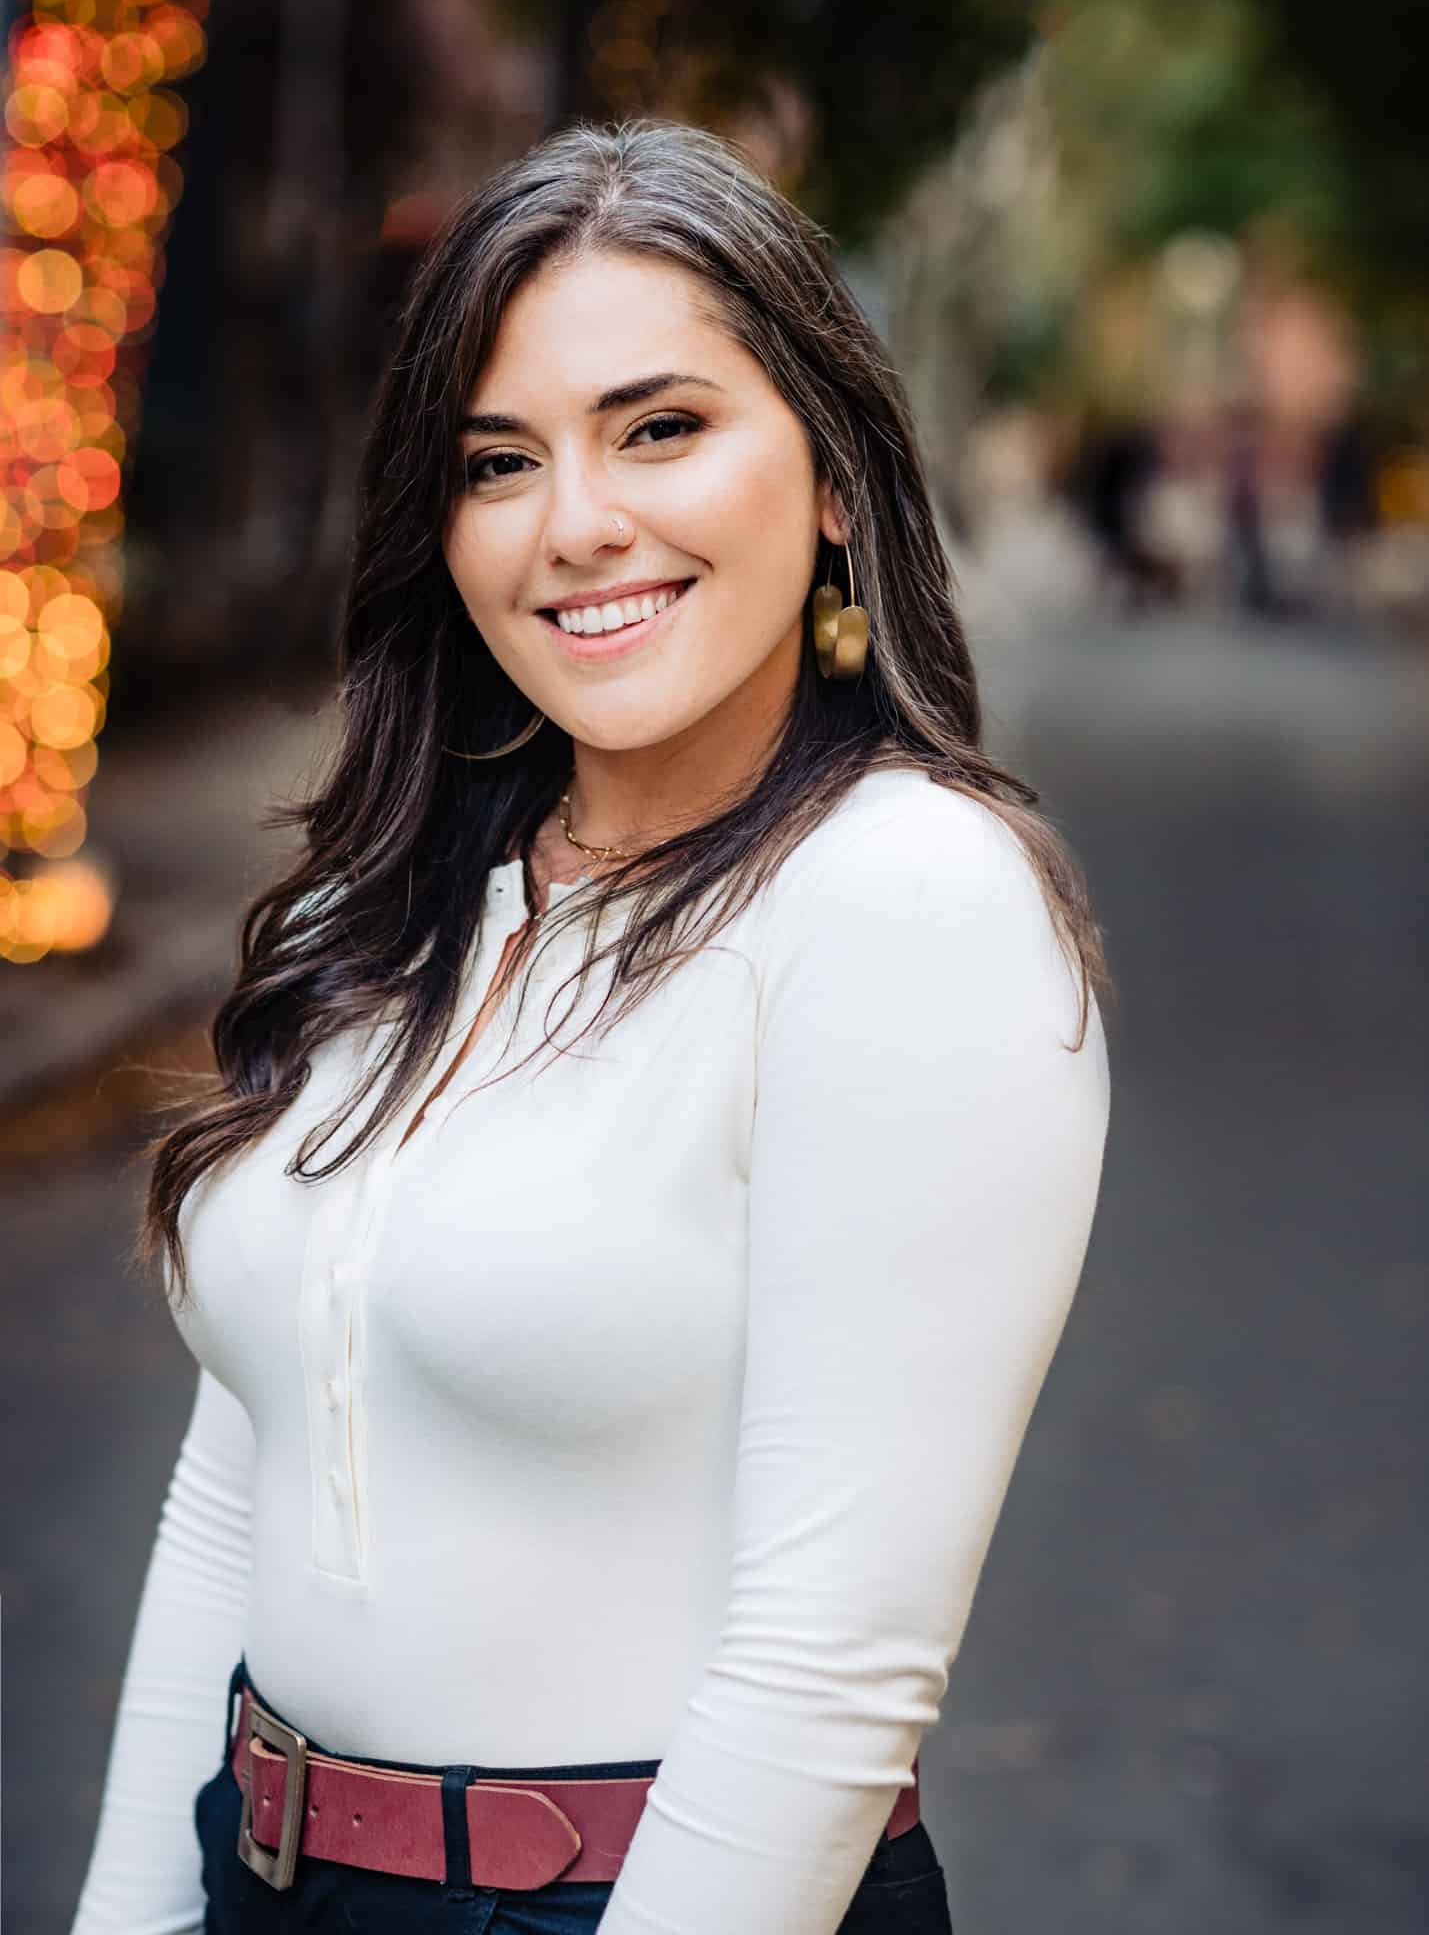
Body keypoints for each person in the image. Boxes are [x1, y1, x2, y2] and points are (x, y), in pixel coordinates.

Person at [70, 118, 1112, 1935]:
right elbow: (243, 1481)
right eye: (499, 460)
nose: (578, 525)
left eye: (660, 428)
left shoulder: (902, 905)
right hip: (264, 1872)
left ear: (836, 475)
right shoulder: (382, 902)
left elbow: (822, 1683)